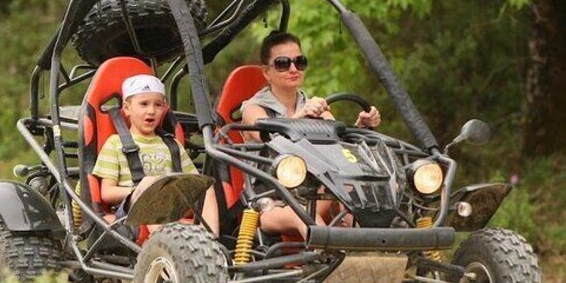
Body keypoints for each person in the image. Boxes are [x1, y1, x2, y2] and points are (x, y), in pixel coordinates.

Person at [240, 31, 380, 237]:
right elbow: (268, 137)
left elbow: (340, 150)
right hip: (269, 200)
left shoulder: (317, 107)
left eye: (300, 61)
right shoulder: (253, 108)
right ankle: (329, 259)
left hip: (313, 193)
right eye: (282, 63)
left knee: (352, 202)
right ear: (266, 72)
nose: (293, 69)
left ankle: (377, 260)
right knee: (303, 214)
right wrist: (302, 116)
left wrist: (362, 127)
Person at [92, 74, 219, 235]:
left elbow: (193, 184)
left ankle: (211, 242)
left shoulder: (172, 144)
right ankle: (163, 242)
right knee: (150, 184)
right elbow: (107, 193)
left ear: (164, 108)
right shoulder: (115, 143)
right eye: (144, 104)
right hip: (132, 211)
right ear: (127, 108)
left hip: (173, 204)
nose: (151, 111)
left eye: (158, 105)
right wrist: (145, 188)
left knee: (206, 187)